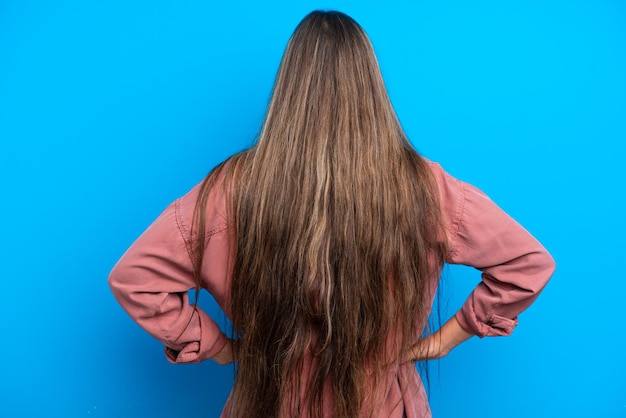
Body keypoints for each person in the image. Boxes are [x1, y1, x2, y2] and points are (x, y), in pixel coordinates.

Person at [109, 10, 555, 418]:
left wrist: (220, 347)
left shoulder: (229, 190)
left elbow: (135, 279)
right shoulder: (424, 188)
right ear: (370, 87)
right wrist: (446, 339)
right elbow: (527, 263)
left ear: (288, 88)